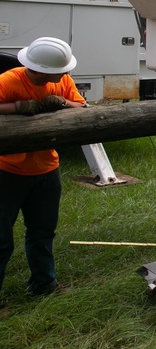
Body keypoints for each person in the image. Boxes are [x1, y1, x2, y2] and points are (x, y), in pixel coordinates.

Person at [0, 37, 87, 302]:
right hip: (7, 171)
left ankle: (44, 283)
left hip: (47, 170)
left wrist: (60, 102)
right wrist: (17, 107)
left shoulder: (60, 80)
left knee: (42, 232)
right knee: (1, 240)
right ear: (37, 70)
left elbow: (82, 106)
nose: (61, 76)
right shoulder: (8, 81)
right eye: (56, 72)